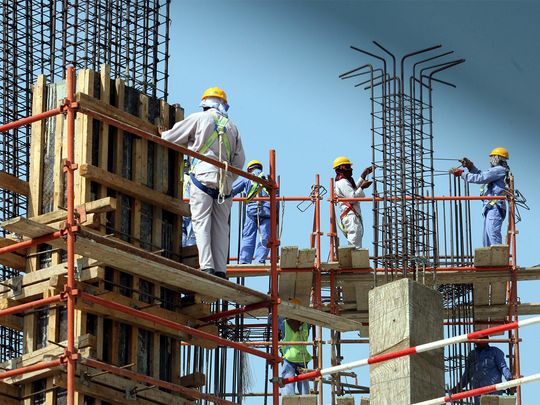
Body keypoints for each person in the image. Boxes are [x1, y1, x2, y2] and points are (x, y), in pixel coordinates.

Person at [159, 87, 245, 278]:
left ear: (205, 103)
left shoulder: (199, 118)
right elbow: (239, 162)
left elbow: (172, 137)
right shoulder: (233, 127)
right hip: (225, 183)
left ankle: (207, 266)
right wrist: (228, 178)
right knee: (221, 227)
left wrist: (163, 134)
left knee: (201, 223)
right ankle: (221, 269)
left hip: (203, 177)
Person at [450, 147, 510, 247]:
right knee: (487, 240)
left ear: (498, 158)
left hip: (495, 207)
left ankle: (499, 259)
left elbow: (481, 178)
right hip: (490, 207)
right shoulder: (497, 171)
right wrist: (471, 167)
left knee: (493, 235)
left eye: (492, 157)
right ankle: (491, 260)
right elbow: (482, 175)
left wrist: (461, 173)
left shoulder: (499, 170)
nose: (491, 160)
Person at [453, 337, 513, 405]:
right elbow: (467, 375)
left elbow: (503, 367)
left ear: (487, 340)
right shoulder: (472, 355)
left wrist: (511, 380)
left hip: (493, 392)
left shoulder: (495, 352)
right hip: (478, 393)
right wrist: (458, 387)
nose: (479, 341)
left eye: (482, 338)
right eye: (478, 339)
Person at [231, 160, 270, 264]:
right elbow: (276, 195)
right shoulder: (267, 177)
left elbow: (232, 190)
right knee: (265, 237)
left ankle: (244, 261)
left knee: (248, 236)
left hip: (252, 211)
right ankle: (260, 260)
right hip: (267, 211)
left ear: (249, 169)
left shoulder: (247, 177)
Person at [333, 156, 373, 249]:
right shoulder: (342, 182)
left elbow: (353, 191)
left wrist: (363, 176)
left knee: (356, 241)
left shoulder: (345, 181)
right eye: (348, 167)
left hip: (352, 215)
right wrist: (362, 187)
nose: (350, 169)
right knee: (355, 244)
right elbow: (352, 198)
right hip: (350, 216)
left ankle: (355, 259)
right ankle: (354, 261)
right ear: (342, 168)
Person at [279, 299, 312, 396]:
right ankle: (306, 398)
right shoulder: (306, 324)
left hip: (290, 356)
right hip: (303, 356)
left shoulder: (284, 323)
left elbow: (272, 319)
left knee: (288, 378)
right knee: (304, 379)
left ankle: (289, 398)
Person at [181, 159, 196, 247]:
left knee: (183, 231)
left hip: (181, 207)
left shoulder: (181, 178)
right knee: (191, 231)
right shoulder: (191, 178)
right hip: (189, 207)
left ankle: (183, 248)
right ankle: (189, 250)